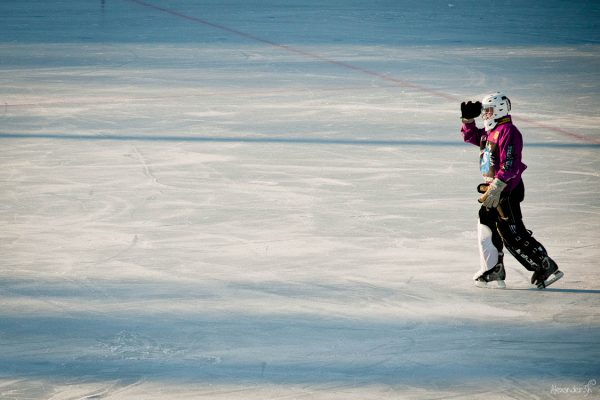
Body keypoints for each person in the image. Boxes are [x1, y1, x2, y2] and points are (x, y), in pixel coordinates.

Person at [460, 92, 563, 289]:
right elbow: (471, 136)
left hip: (507, 190)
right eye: (484, 111)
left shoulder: (508, 131)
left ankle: (545, 265)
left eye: (488, 111)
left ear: (500, 110)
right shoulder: (491, 131)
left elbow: (511, 164)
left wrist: (498, 187)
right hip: (493, 190)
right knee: (485, 227)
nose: (486, 115)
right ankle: (492, 269)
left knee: (511, 233)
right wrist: (467, 120)